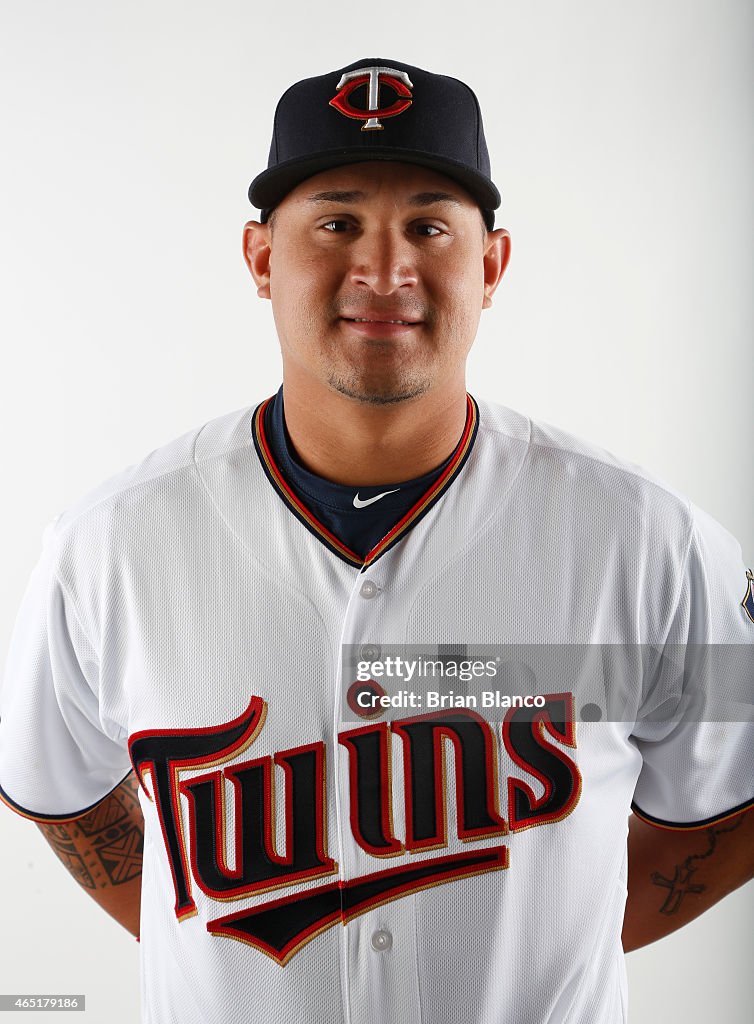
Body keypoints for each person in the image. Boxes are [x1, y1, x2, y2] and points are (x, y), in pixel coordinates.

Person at [1, 57, 752, 1024]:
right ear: (262, 257)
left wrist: (563, 935)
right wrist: (221, 946)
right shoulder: (108, 545)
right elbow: (59, 792)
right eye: (338, 221)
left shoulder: (652, 540)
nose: (384, 269)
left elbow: (733, 808)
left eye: (430, 226)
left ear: (491, 265)